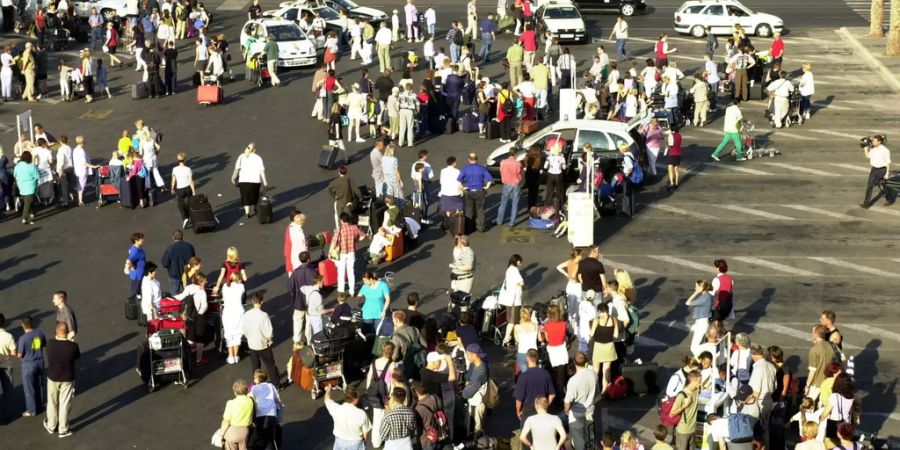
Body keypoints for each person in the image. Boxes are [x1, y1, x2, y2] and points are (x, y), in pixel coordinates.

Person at [43, 322, 80, 438]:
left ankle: (51, 425)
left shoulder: (50, 344)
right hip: (67, 378)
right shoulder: (73, 346)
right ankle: (63, 429)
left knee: (52, 402)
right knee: (64, 404)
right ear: (67, 332)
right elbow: (77, 357)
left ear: (56, 332)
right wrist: (71, 341)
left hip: (52, 377)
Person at [564, 352, 597, 450]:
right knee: (590, 434)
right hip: (590, 409)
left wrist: (566, 411)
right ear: (586, 361)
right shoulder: (593, 374)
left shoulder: (573, 380)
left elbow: (567, 402)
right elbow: (597, 391)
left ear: (574, 362)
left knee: (578, 438)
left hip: (576, 412)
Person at [514, 349, 555, 426]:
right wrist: (545, 405)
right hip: (542, 409)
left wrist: (518, 411)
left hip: (528, 411)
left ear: (527, 358)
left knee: (527, 435)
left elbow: (519, 399)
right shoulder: (546, 373)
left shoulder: (523, 377)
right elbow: (552, 395)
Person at [16, 316, 46, 419]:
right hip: (39, 362)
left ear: (23, 325)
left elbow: (19, 354)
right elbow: (41, 345)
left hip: (28, 365)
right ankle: (40, 406)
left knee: (29, 389)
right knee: (39, 385)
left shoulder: (22, 339)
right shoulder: (40, 333)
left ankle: (31, 410)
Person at [176, 272, 210, 365]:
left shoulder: (189, 287)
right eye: (204, 280)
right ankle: (199, 359)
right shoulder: (202, 292)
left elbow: (181, 297)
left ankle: (187, 356)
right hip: (199, 317)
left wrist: (171, 298)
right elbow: (204, 306)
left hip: (188, 316)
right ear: (201, 282)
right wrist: (200, 314)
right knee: (200, 338)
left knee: (190, 336)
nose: (206, 282)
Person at [325, 385, 371, 450]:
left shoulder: (336, 409)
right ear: (354, 399)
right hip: (355, 444)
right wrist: (363, 445)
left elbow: (327, 400)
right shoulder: (362, 414)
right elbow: (365, 433)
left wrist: (328, 390)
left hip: (339, 442)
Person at [457, 153, 493, 233]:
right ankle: (481, 228)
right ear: (477, 159)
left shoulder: (465, 169)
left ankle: (469, 228)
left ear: (469, 159)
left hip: (469, 192)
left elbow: (459, 180)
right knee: (480, 210)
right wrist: (486, 187)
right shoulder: (482, 168)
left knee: (469, 211)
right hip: (479, 191)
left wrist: (463, 188)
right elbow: (490, 179)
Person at [333, 212, 368, 296]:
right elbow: (363, 235)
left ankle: (341, 290)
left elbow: (334, 241)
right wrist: (356, 241)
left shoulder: (340, 229)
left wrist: (331, 250)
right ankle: (352, 291)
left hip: (342, 253)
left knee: (341, 272)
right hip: (351, 252)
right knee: (351, 272)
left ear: (341, 220)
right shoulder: (354, 227)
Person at [249, 369, 283, 448]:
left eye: (254, 377)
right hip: (271, 415)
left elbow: (249, 399)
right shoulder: (271, 386)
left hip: (260, 416)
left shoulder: (254, 388)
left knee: (260, 437)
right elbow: (278, 399)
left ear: (258, 379)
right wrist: (280, 405)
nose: (253, 379)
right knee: (269, 438)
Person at [460, 343, 489, 436]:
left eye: (467, 354)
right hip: (475, 401)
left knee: (476, 428)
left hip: (476, 404)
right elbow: (468, 377)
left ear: (474, 354)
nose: (466, 356)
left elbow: (468, 393)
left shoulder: (479, 373)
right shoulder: (477, 364)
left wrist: (462, 393)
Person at [233, 143, 268, 218]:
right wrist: (265, 182)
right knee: (255, 195)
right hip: (255, 181)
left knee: (245, 197)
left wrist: (233, 177)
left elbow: (237, 168)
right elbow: (261, 170)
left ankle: (247, 213)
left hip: (243, 181)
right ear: (254, 149)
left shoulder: (241, 156)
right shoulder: (258, 157)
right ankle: (256, 208)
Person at [218, 379, 255, 450]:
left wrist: (222, 434)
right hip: (245, 431)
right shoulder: (251, 401)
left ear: (235, 392)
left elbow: (226, 422)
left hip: (232, 432)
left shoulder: (230, 403)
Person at [590, 303, 618, 395]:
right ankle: (604, 390)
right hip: (609, 347)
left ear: (599, 311)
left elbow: (591, 334)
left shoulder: (596, 320)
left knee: (595, 370)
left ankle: (593, 389)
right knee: (606, 369)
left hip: (598, 346)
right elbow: (616, 335)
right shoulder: (613, 319)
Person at [670, 370, 701, 450]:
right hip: (683, 431)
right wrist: (684, 406)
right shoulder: (682, 395)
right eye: (699, 381)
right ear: (692, 381)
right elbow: (671, 414)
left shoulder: (696, 390)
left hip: (693, 429)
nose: (701, 383)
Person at [221, 273, 246, 364]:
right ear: (238, 279)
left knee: (228, 334)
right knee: (238, 334)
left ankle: (230, 356)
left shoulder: (224, 286)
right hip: (238, 312)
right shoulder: (241, 287)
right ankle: (236, 355)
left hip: (228, 313)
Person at [861, 135, 891, 209]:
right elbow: (868, 156)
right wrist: (865, 149)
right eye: (873, 140)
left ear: (879, 142)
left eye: (874, 141)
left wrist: (887, 173)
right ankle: (866, 203)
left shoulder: (885, 151)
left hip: (882, 170)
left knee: (883, 185)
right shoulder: (873, 149)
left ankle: (889, 199)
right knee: (870, 186)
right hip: (874, 170)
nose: (873, 142)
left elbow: (887, 163)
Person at [685, 280, 713, 354]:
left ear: (701, 288)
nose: (695, 288)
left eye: (697, 287)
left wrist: (695, 293)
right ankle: (704, 357)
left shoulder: (704, 298)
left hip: (701, 324)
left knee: (693, 348)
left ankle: (703, 359)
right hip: (701, 323)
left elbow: (688, 302)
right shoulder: (706, 296)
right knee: (698, 345)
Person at [169, 153, 196, 229]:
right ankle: (192, 216)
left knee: (180, 204)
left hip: (179, 189)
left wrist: (172, 188)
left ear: (178, 160)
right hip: (187, 188)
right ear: (185, 160)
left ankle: (185, 218)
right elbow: (191, 181)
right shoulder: (188, 169)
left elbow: (173, 180)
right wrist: (193, 191)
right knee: (190, 203)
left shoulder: (175, 169)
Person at [13, 151, 40, 224]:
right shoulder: (31, 166)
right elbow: (37, 176)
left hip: (21, 187)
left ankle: (31, 213)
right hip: (30, 187)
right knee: (27, 203)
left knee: (27, 202)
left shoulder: (17, 166)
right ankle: (25, 218)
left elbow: (14, 175)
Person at [283, 209, 308, 275]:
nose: (299, 218)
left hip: (292, 254)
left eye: (299, 216)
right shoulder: (295, 230)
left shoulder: (291, 227)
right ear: (293, 219)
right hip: (295, 255)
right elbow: (301, 244)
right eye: (297, 217)